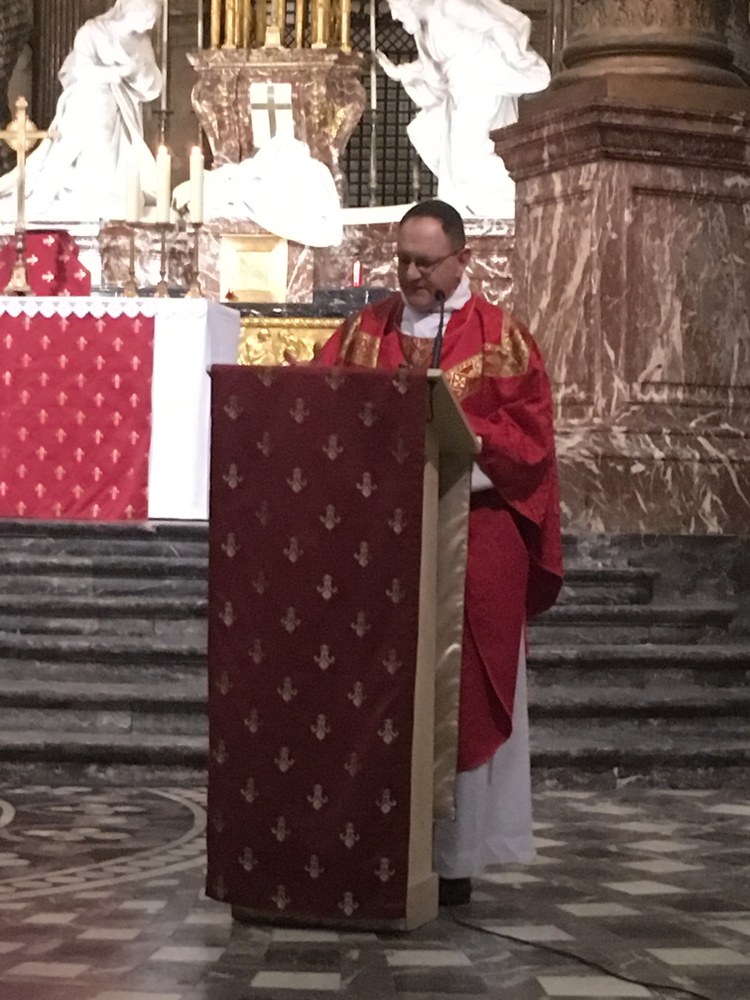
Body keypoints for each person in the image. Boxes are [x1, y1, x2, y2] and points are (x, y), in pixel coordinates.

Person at [315, 199, 563, 905]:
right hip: (380, 546)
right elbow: (322, 403)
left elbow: (531, 443)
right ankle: (376, 842)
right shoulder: (364, 333)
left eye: (426, 263)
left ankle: (453, 860)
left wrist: (465, 449)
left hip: (471, 536)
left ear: (462, 260)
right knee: (374, 689)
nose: (412, 275)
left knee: (463, 695)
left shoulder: (502, 339)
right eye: (403, 261)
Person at [377, 0, 550, 218]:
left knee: (469, 155)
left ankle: (503, 206)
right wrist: (401, 72)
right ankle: (468, 208)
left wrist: (518, 59)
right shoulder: (424, 29)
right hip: (458, 92)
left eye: (395, 6)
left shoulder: (450, 7)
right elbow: (433, 69)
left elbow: (497, 26)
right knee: (429, 136)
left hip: (480, 85)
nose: (394, 16)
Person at [0, 0, 162, 222]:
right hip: (89, 101)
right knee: (87, 129)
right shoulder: (93, 31)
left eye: (153, 19)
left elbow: (153, 87)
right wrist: (117, 72)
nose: (150, 24)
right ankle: (67, 190)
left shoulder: (141, 42)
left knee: (119, 186)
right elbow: (81, 71)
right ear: (130, 8)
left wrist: (140, 72)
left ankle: (102, 192)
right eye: (148, 17)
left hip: (122, 112)